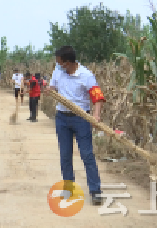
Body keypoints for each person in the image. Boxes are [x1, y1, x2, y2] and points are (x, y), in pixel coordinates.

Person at [44, 46, 105, 205]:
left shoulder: (85, 75)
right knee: (65, 155)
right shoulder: (58, 72)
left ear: (68, 62)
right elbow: (53, 87)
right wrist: (49, 90)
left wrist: (96, 115)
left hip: (81, 119)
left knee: (87, 155)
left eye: (59, 62)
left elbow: (97, 97)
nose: (57, 65)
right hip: (62, 118)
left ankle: (95, 190)